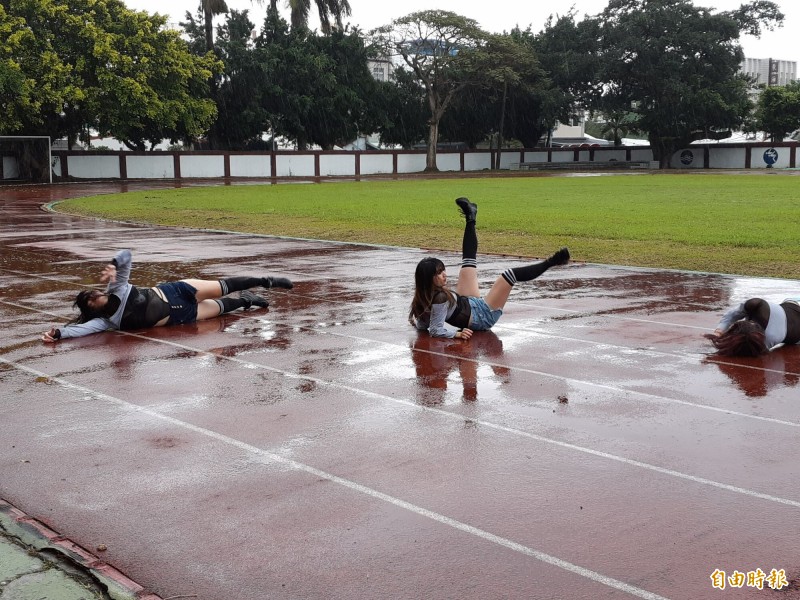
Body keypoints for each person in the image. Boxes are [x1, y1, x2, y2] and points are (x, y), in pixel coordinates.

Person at [42, 249, 293, 342]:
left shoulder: (117, 287)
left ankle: (266, 281)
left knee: (222, 285)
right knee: (223, 306)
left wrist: (113, 263)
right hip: (180, 315)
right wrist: (59, 333)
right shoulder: (106, 322)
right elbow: (80, 331)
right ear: (92, 309)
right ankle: (247, 300)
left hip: (176, 290)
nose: (95, 295)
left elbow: (126, 255)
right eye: (90, 300)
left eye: (92, 293)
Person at [409, 197, 570, 339]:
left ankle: (471, 216)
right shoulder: (438, 298)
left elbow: (425, 325)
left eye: (443, 269)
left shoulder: (423, 296)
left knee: (468, 260)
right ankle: (552, 262)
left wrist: (419, 324)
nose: (444, 274)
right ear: (427, 279)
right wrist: (455, 334)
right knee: (509, 275)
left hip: (469, 303)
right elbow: (435, 330)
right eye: (438, 273)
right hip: (483, 315)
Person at [707, 297, 800, 356]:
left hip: (793, 306)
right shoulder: (768, 338)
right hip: (793, 310)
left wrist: (719, 331)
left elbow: (732, 315)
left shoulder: (757, 305)